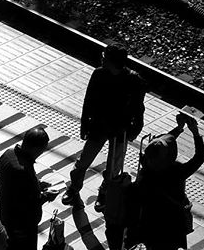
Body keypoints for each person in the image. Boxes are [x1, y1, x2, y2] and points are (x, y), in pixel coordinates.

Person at [134, 112, 204, 250]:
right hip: (171, 227)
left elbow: (156, 147)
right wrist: (194, 132)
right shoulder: (176, 172)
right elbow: (199, 157)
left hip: (147, 224)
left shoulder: (146, 168)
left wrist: (178, 129)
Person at [62, 44, 145, 209]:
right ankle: (74, 188)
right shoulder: (99, 74)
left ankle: (105, 193)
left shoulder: (134, 80)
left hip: (120, 129)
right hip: (99, 126)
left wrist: (135, 130)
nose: (101, 58)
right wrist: (85, 125)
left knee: (113, 167)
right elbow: (88, 100)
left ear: (111, 61)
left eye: (104, 56)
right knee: (84, 160)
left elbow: (138, 108)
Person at [0, 126, 57, 250]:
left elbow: (16, 190)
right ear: (36, 147)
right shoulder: (21, 169)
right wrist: (45, 196)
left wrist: (36, 186)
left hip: (9, 221)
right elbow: (27, 202)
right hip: (22, 227)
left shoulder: (8, 155)